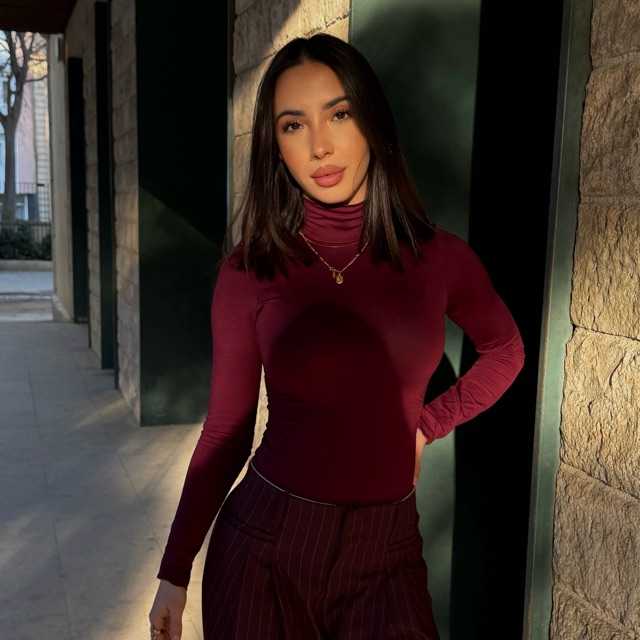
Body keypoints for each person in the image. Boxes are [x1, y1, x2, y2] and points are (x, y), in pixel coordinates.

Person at [148, 33, 525, 640]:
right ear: (276, 147)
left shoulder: (440, 259)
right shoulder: (249, 270)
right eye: (293, 125)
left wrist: (428, 424)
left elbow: (506, 351)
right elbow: (226, 431)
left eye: (339, 114)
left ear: (371, 120)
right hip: (264, 549)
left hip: (387, 555)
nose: (319, 145)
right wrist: (174, 571)